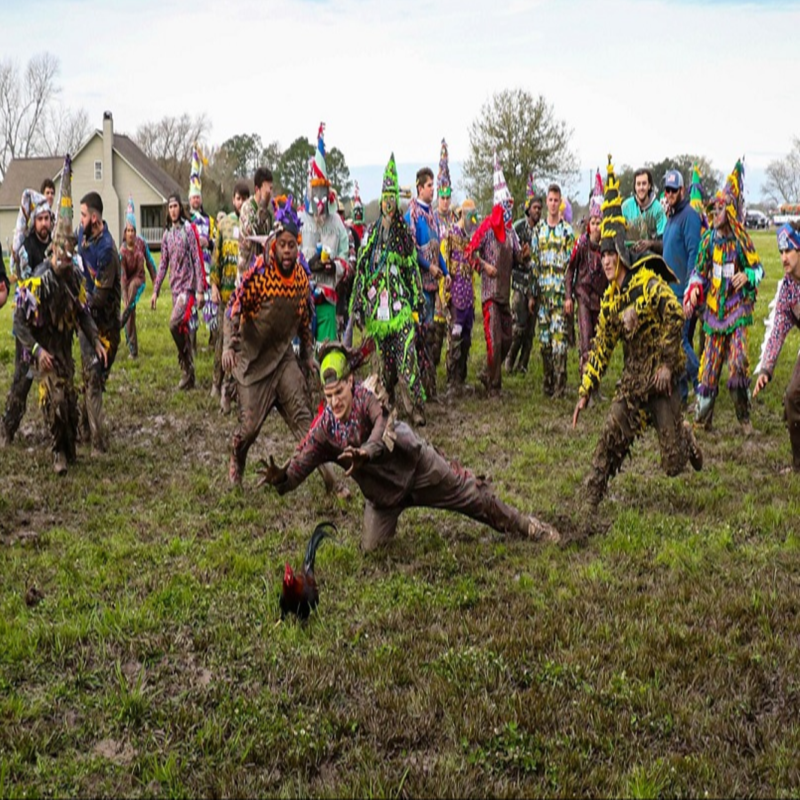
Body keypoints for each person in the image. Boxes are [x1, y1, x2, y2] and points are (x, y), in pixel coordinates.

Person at [257, 341, 560, 551]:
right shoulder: (325, 430)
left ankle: (528, 526)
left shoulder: (367, 397)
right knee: (373, 550)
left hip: (418, 468)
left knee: (474, 497)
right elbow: (299, 466)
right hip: (384, 496)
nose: (334, 401)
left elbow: (379, 424)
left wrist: (367, 452)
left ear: (351, 382)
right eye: (328, 395)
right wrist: (281, 478)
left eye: (339, 391)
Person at [572, 156, 702, 509]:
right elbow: (601, 347)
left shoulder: (646, 283)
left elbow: (675, 314)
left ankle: (684, 436)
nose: (607, 262)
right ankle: (592, 495)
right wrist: (586, 389)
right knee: (611, 435)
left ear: (623, 256)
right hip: (633, 379)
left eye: (612, 255)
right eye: (602, 257)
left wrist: (664, 363)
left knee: (673, 465)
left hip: (660, 378)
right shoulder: (611, 302)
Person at [222, 195, 337, 493]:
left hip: (283, 360)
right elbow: (233, 307)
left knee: (304, 420)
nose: (287, 251)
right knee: (248, 430)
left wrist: (307, 356)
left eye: (292, 245)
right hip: (252, 363)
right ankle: (237, 458)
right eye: (282, 244)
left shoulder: (301, 279)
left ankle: (331, 481)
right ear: (274, 245)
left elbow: (305, 319)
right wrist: (228, 346)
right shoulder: (260, 275)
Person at [11, 154, 108, 473]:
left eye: (71, 250)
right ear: (53, 250)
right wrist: (36, 351)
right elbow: (18, 322)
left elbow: (82, 313)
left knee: (69, 403)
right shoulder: (38, 282)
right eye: (60, 251)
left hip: (65, 351)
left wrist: (95, 340)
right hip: (45, 351)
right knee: (53, 403)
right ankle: (58, 453)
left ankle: (69, 446)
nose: (65, 257)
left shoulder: (75, 279)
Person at [683, 158, 763, 434]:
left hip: (737, 309)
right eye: (712, 208)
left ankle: (744, 419)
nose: (714, 213)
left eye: (719, 208)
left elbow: (759, 268)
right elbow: (698, 271)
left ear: (728, 211)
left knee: (738, 363)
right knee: (709, 368)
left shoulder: (741, 239)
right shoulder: (708, 240)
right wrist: (694, 289)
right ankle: (702, 420)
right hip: (713, 313)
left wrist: (749, 276)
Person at [350, 153, 426, 426]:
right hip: (378, 314)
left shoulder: (404, 234)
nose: (390, 204)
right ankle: (387, 403)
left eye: (393, 198)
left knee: (408, 358)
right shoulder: (370, 235)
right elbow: (361, 271)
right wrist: (357, 304)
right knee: (387, 365)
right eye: (386, 198)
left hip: (400, 307)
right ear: (381, 200)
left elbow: (411, 269)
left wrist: (417, 301)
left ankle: (416, 407)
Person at [466, 154, 523, 397]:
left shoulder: (511, 233)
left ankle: (488, 373)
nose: (509, 209)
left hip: (504, 294)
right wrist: (484, 266)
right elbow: (470, 253)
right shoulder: (487, 228)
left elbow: (519, 258)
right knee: (494, 341)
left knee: (508, 340)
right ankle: (494, 387)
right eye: (506, 205)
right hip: (489, 294)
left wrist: (525, 257)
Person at [1, 190, 53, 445]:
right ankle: (7, 430)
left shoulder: (55, 246)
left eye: (47, 218)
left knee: (52, 381)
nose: (44, 223)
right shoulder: (26, 248)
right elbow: (27, 286)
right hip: (28, 328)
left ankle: (56, 428)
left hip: (49, 328)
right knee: (22, 383)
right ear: (34, 221)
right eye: (40, 219)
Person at [752, 222, 800, 472]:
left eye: (788, 251)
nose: (783, 257)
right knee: (792, 397)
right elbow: (778, 329)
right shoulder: (788, 288)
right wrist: (766, 369)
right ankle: (798, 466)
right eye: (780, 252)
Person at [76, 190, 121, 454]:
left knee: (97, 380)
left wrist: (78, 302)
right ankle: (95, 441)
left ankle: (88, 429)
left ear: (94, 218)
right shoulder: (83, 235)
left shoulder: (107, 251)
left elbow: (101, 298)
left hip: (107, 327)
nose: (80, 220)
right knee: (91, 378)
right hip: (87, 322)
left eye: (83, 215)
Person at [301, 124, 349, 348]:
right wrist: (306, 265)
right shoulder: (300, 220)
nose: (319, 201)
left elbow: (347, 258)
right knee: (301, 347)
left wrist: (334, 267)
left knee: (326, 346)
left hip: (328, 297)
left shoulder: (337, 223)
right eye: (315, 194)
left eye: (323, 194)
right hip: (302, 296)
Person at [151, 193, 205, 390]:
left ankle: (187, 366)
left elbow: (197, 259)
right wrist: (155, 290)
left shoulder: (188, 230)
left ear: (180, 209)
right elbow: (163, 264)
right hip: (175, 289)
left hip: (188, 288)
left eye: (175, 206)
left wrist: (200, 290)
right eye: (170, 207)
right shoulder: (167, 235)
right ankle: (189, 373)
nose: (173, 210)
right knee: (183, 330)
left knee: (174, 324)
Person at [405, 164, 450, 400]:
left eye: (434, 185)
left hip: (433, 285)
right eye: (430, 186)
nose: (433, 190)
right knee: (419, 335)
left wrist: (445, 271)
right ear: (420, 187)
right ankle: (417, 388)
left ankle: (429, 386)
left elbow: (437, 248)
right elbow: (411, 250)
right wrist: (428, 266)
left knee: (431, 335)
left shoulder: (431, 215)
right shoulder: (411, 214)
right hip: (417, 286)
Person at [661, 168, 702, 405]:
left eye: (674, 190)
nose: (670, 194)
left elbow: (694, 256)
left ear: (682, 190)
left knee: (681, 342)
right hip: (669, 292)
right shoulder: (672, 216)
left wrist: (690, 294)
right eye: (667, 190)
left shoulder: (689, 216)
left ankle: (701, 384)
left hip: (682, 294)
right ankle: (681, 394)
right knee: (675, 345)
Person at [532, 182, 575, 397]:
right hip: (542, 296)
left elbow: (571, 267)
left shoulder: (567, 231)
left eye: (556, 200)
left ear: (560, 203)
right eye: (550, 199)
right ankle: (547, 383)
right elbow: (534, 262)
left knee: (560, 343)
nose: (553, 203)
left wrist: (569, 296)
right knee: (545, 343)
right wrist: (532, 295)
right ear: (546, 201)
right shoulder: (538, 230)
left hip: (559, 297)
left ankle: (560, 386)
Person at [565, 171, 607, 389]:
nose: (597, 227)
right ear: (588, 224)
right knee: (585, 340)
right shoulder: (581, 244)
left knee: (598, 343)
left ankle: (595, 385)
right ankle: (585, 387)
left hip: (600, 300)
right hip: (582, 297)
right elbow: (569, 270)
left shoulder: (608, 248)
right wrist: (568, 297)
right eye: (593, 222)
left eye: (600, 222)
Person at [211, 179, 249, 411]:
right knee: (221, 341)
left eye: (245, 199)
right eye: (238, 198)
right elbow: (216, 257)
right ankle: (217, 382)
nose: (241, 203)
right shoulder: (224, 224)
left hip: (244, 297)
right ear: (233, 200)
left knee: (240, 343)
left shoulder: (252, 225)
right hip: (225, 293)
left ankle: (234, 388)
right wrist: (213, 286)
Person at [441, 199, 480, 394]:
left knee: (466, 338)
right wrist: (444, 293)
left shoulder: (471, 237)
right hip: (455, 294)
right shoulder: (451, 234)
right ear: (464, 214)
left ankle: (461, 378)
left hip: (468, 295)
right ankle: (451, 381)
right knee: (454, 338)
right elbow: (444, 262)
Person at [507, 174, 541, 375]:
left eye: (539, 208)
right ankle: (509, 360)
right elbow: (510, 255)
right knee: (518, 326)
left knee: (530, 330)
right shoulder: (518, 227)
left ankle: (523, 365)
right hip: (520, 283)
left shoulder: (543, 229)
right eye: (535, 207)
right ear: (528, 208)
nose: (537, 211)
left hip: (535, 284)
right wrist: (521, 257)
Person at [119, 196, 157, 358]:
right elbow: (122, 276)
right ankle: (132, 347)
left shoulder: (141, 244)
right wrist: (125, 295)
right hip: (126, 284)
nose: (131, 234)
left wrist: (156, 284)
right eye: (128, 230)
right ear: (124, 232)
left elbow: (150, 263)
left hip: (138, 281)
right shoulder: (122, 252)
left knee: (133, 292)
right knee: (130, 310)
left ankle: (122, 320)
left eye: (133, 230)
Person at [431, 139, 458, 371]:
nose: (446, 201)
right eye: (442, 197)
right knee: (436, 323)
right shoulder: (430, 218)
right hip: (435, 275)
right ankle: (433, 362)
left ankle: (451, 368)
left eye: (449, 197)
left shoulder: (455, 220)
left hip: (453, 278)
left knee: (452, 322)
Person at [238, 167, 273, 279]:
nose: (269, 194)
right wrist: (263, 206)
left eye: (271, 189)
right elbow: (252, 232)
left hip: (263, 271)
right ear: (257, 189)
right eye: (267, 190)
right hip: (247, 269)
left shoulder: (267, 211)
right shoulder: (247, 207)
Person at [621, 166, 667, 253]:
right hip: (629, 256)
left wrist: (651, 244)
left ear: (649, 186)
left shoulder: (658, 209)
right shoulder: (625, 207)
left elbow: (664, 241)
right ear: (634, 186)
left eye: (644, 183)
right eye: (638, 184)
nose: (641, 187)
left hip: (652, 257)